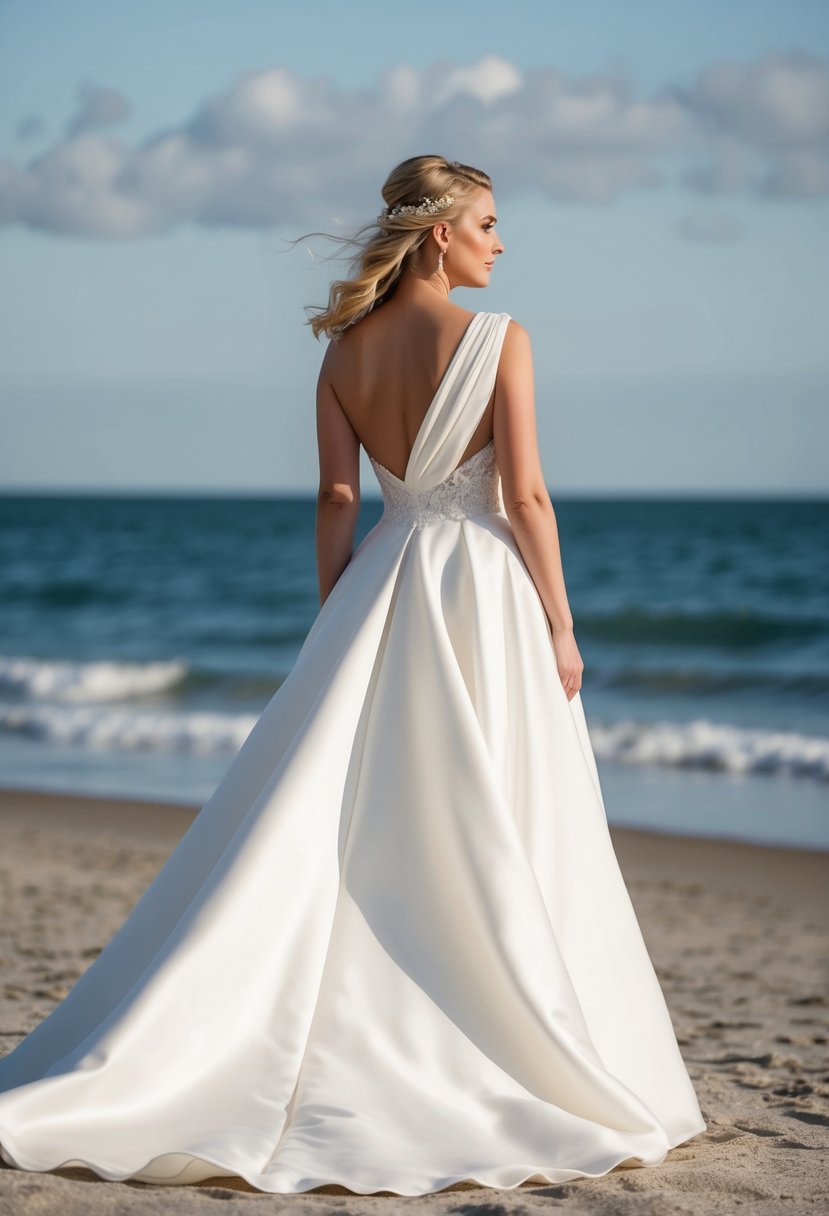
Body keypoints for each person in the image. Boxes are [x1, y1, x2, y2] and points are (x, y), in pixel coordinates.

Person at [0, 154, 706, 1196]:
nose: (500, 244)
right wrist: (561, 621)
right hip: (481, 591)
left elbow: (339, 495)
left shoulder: (339, 355)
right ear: (439, 236)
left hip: (383, 580)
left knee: (356, 809)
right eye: (488, 224)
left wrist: (337, 611)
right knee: (499, 805)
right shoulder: (501, 339)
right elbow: (528, 497)